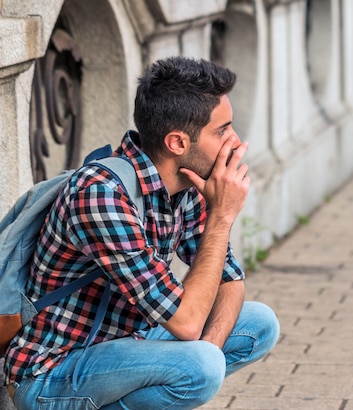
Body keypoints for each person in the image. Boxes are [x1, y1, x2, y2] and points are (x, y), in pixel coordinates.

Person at [4, 56, 280, 409]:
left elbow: (229, 281)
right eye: (222, 130)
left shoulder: (186, 184)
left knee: (258, 325)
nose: (236, 141)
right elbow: (187, 323)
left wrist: (204, 353)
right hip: (53, 372)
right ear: (177, 143)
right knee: (200, 365)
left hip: (125, 342)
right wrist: (222, 217)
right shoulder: (101, 195)